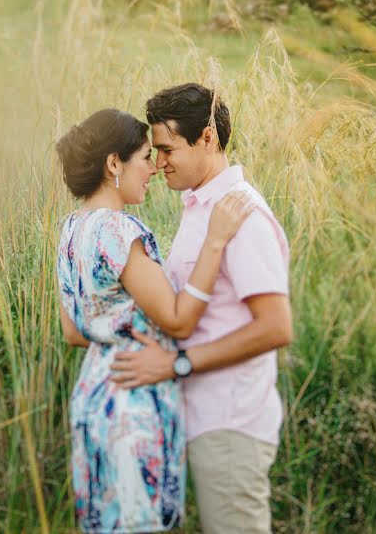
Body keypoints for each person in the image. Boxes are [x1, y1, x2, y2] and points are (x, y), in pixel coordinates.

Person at [55, 108, 253, 534]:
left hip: (92, 397)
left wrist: (119, 334)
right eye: (145, 157)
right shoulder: (118, 231)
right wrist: (216, 240)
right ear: (114, 164)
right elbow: (179, 321)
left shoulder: (71, 230)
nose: (153, 169)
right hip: (132, 404)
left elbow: (73, 331)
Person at [111, 83, 294, 534]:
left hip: (232, 423)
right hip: (201, 419)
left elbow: (275, 327)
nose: (158, 163)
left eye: (168, 149)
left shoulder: (241, 215)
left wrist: (178, 364)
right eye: (155, 152)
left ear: (207, 138)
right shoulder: (201, 208)